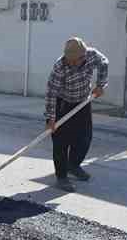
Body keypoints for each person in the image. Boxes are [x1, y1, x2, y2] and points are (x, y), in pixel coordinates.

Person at [45, 37, 109, 191]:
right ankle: (61, 177)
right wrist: (51, 118)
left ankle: (73, 165)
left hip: (83, 103)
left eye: (75, 61)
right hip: (63, 104)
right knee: (61, 142)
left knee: (84, 138)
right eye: (69, 60)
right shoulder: (59, 67)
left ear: (83, 56)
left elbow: (104, 63)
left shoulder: (91, 55)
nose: (72, 64)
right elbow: (51, 93)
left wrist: (100, 85)